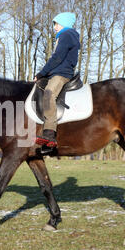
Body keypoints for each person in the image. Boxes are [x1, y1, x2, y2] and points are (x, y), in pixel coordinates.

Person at [34, 12, 80, 154]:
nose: (54, 27)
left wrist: (41, 73)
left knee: (49, 94)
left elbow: (57, 58)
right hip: (56, 72)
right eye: (54, 24)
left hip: (61, 74)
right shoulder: (65, 36)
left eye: (56, 24)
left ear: (64, 23)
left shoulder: (67, 35)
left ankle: (49, 134)